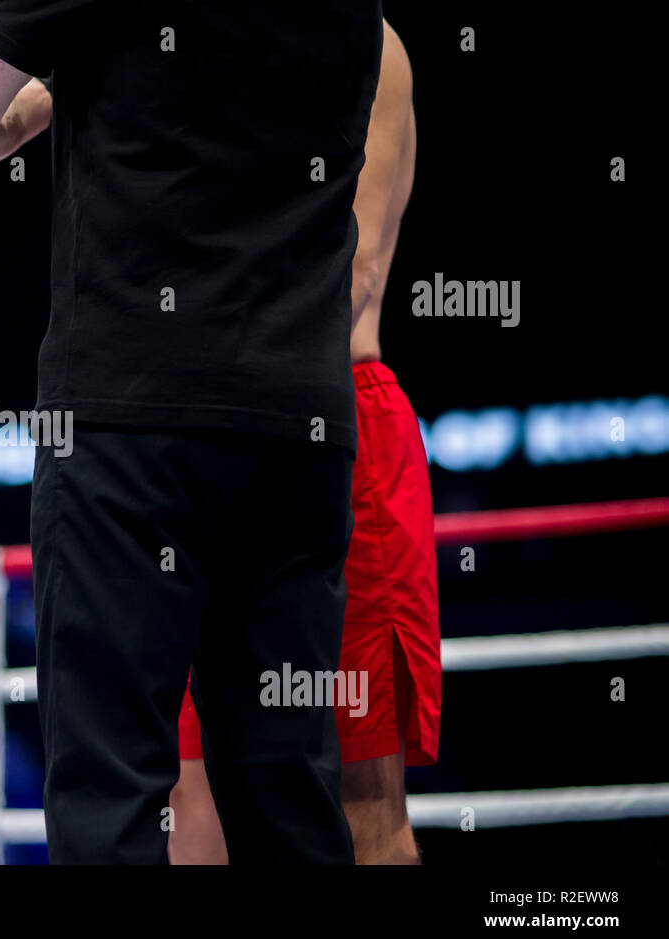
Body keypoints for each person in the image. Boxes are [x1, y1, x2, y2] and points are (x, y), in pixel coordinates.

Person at [0, 1, 382, 863]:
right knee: (290, 790)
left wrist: (58, 84)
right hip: (299, 421)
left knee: (111, 792)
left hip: (128, 416)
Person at [169, 20, 439, 866]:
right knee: (193, 797)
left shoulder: (364, 40)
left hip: (334, 422)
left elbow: (350, 272)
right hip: (205, 438)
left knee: (359, 799)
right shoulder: (203, 45)